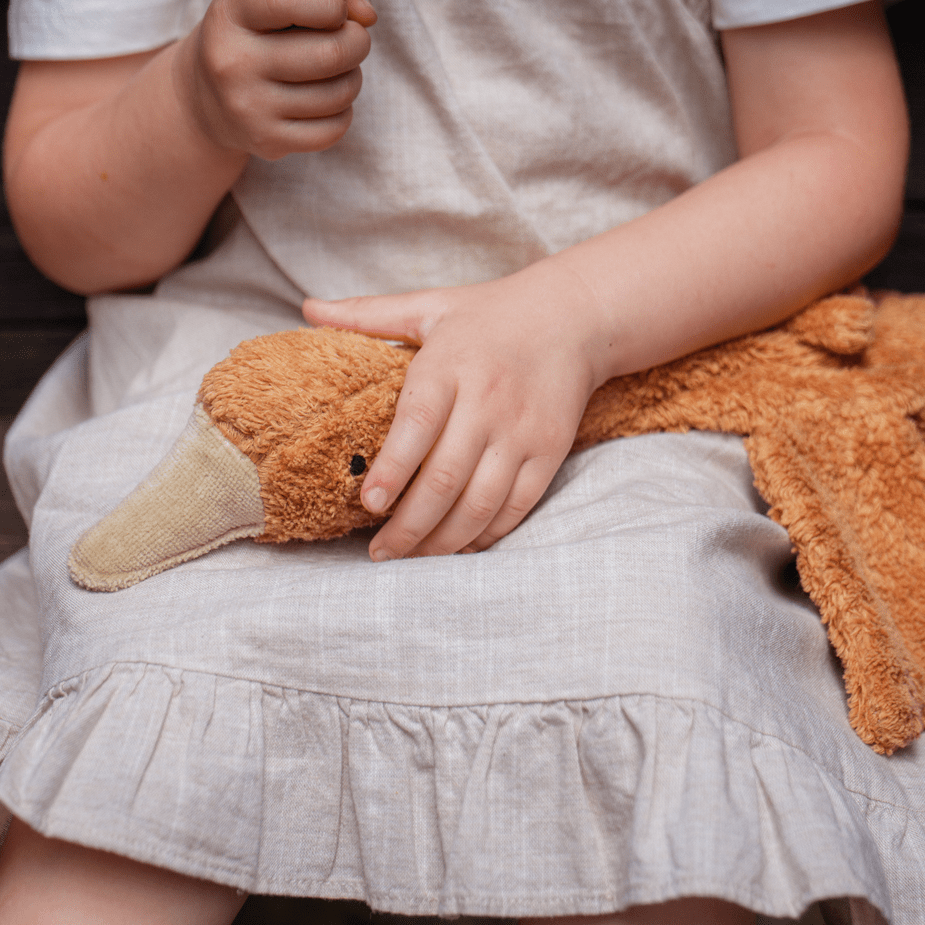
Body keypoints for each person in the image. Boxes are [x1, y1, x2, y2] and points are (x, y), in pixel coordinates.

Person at [0, 0, 918, 921]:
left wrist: (575, 317)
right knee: (148, 670)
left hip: (649, 353)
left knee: (655, 648)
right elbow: (77, 232)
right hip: (262, 352)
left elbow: (835, 146)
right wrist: (192, 105)